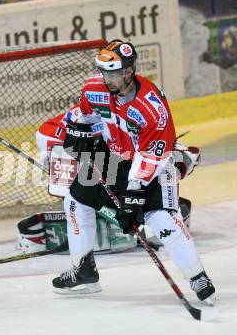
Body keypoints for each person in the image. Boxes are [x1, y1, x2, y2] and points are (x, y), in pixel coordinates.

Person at [51, 39, 216, 305]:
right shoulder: (95, 88)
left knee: (160, 218)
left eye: (112, 73)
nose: (106, 78)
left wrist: (133, 196)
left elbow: (153, 155)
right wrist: (76, 132)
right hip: (115, 156)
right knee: (75, 199)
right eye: (103, 71)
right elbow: (85, 115)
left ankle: (197, 276)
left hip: (155, 163)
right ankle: (83, 270)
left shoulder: (152, 108)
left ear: (128, 71)